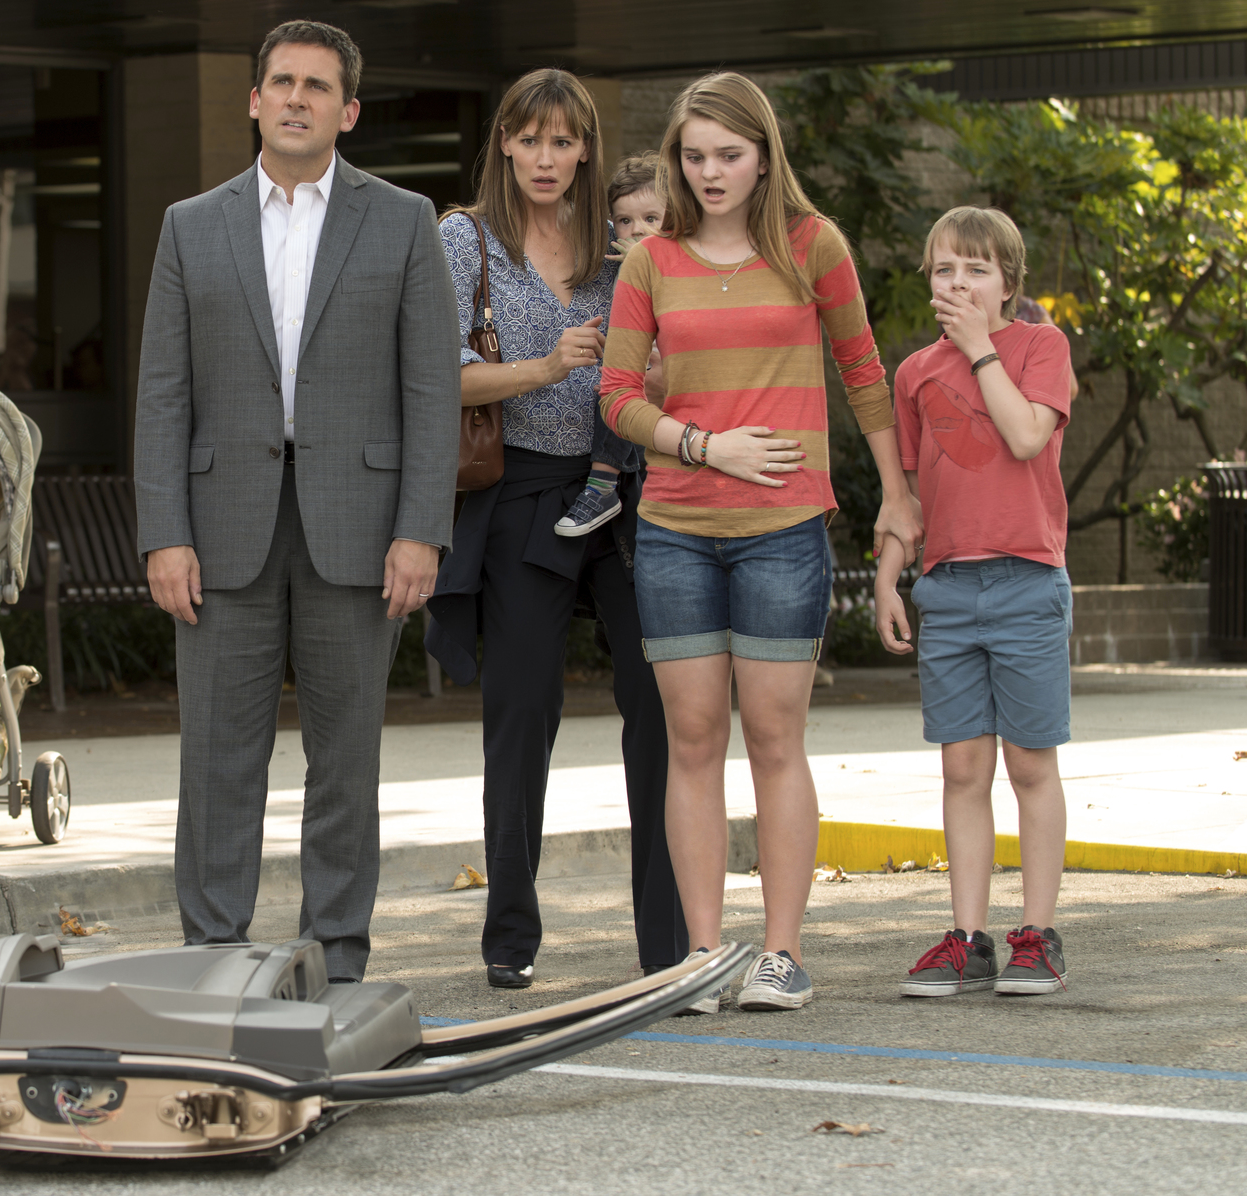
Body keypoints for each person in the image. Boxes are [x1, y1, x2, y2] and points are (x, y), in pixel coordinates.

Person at [132, 19, 460, 981]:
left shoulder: (401, 220)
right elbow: (162, 394)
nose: (296, 98)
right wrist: (164, 533)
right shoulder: (191, 225)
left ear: (347, 111)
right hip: (218, 530)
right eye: (280, 81)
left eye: (318, 86)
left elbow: (430, 390)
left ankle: (336, 958)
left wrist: (420, 531)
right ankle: (211, 954)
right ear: (253, 98)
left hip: (359, 533)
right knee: (216, 762)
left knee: (345, 763)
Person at [598, 71, 921, 1013]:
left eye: (727, 155)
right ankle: (704, 955)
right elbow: (616, 398)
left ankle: (781, 954)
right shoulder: (652, 261)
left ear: (764, 153)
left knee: (776, 738)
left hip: (784, 530)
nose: (709, 173)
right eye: (694, 157)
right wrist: (705, 444)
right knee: (692, 741)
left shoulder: (812, 246)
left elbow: (864, 374)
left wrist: (895, 496)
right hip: (674, 532)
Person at [424, 69, 685, 990]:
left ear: (585, 150)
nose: (546, 157)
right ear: (504, 142)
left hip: (628, 489)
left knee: (658, 703)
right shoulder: (466, 241)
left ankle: (668, 941)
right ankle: (510, 936)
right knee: (522, 709)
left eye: (563, 141)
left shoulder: (626, 244)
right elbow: (438, 375)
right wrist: (540, 367)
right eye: (529, 139)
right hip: (523, 491)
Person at [875, 205, 1073, 998]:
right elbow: (913, 495)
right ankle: (967, 936)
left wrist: (980, 347)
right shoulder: (915, 372)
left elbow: (1027, 437)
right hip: (949, 591)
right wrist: (891, 574)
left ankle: (1038, 933)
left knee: (1030, 762)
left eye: (977, 269)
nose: (959, 283)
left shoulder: (1039, 347)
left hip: (1025, 580)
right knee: (962, 767)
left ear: (1009, 284)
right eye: (946, 269)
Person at [553, 151, 670, 537]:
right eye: (625, 221)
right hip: (638, 396)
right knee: (611, 388)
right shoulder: (624, 266)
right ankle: (605, 488)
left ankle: (603, 486)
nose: (637, 230)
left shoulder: (677, 262)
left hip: (674, 389)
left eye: (651, 219)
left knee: (621, 388)